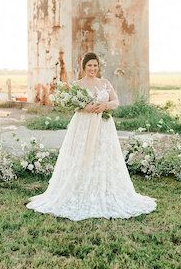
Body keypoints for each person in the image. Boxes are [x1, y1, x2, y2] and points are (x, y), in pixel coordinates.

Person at [26, 52, 157, 221]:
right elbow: (73, 105)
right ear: (84, 67)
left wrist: (105, 105)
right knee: (80, 155)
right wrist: (83, 107)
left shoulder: (105, 83)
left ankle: (104, 189)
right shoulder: (77, 85)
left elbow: (116, 102)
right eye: (89, 66)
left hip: (103, 125)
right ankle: (78, 188)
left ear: (98, 67)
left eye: (95, 66)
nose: (92, 69)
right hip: (82, 125)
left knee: (102, 155)